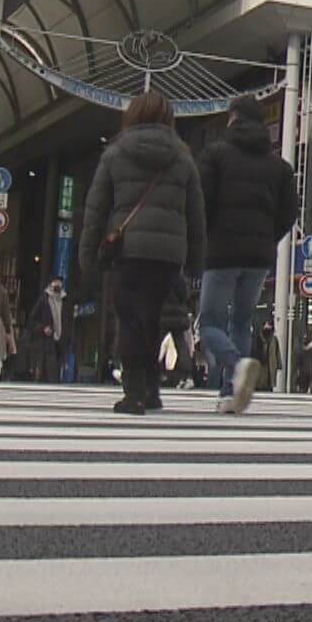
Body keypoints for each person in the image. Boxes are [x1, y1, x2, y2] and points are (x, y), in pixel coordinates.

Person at [79, 91, 207, 416]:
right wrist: (195, 260)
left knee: (130, 320)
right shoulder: (183, 158)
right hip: (168, 254)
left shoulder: (115, 153)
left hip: (129, 249)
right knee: (152, 319)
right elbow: (196, 214)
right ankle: (151, 389)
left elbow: (96, 210)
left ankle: (134, 392)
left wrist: (87, 256)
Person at [196, 94, 298, 415]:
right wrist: (269, 238)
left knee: (209, 321)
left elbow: (202, 202)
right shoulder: (279, 167)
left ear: (233, 117)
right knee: (242, 320)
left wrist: (206, 237)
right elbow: (289, 212)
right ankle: (231, 392)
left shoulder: (215, 155)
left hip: (222, 250)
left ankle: (237, 365)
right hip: (259, 255)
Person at [27, 278, 72, 384]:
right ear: (50, 284)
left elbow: (69, 320)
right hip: (47, 339)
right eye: (55, 282)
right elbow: (32, 320)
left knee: (58, 366)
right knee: (50, 368)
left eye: (60, 282)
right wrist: (43, 328)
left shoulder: (65, 300)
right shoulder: (44, 299)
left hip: (61, 339)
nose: (57, 284)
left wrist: (68, 335)